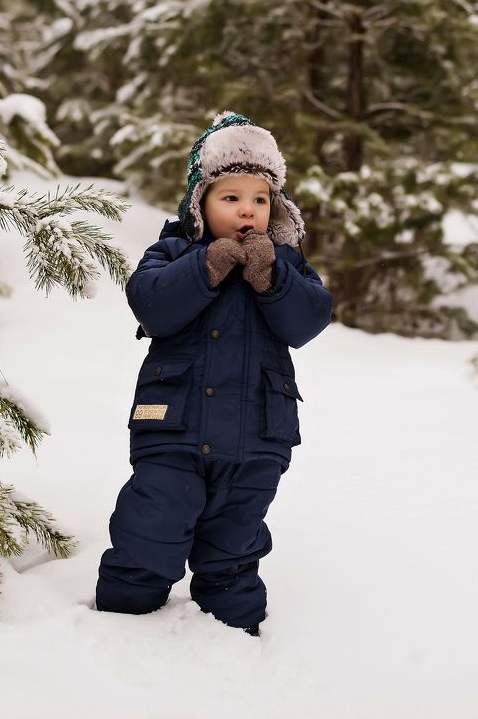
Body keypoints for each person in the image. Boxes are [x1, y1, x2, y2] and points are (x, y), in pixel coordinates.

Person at [95, 111, 333, 635]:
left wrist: (271, 277)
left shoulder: (287, 262)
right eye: (231, 198)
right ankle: (117, 628)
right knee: (150, 527)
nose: (247, 210)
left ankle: (238, 634)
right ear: (199, 202)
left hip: (256, 438)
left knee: (234, 542)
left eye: (260, 199)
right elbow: (151, 305)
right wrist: (208, 265)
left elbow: (309, 320)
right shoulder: (174, 250)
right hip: (173, 426)